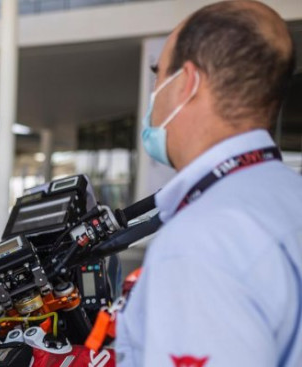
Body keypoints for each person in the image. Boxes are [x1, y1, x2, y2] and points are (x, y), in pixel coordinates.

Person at [117, 1, 301, 366]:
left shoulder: (203, 239)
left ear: (186, 83)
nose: (154, 93)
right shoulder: (288, 196)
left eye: (158, 73)